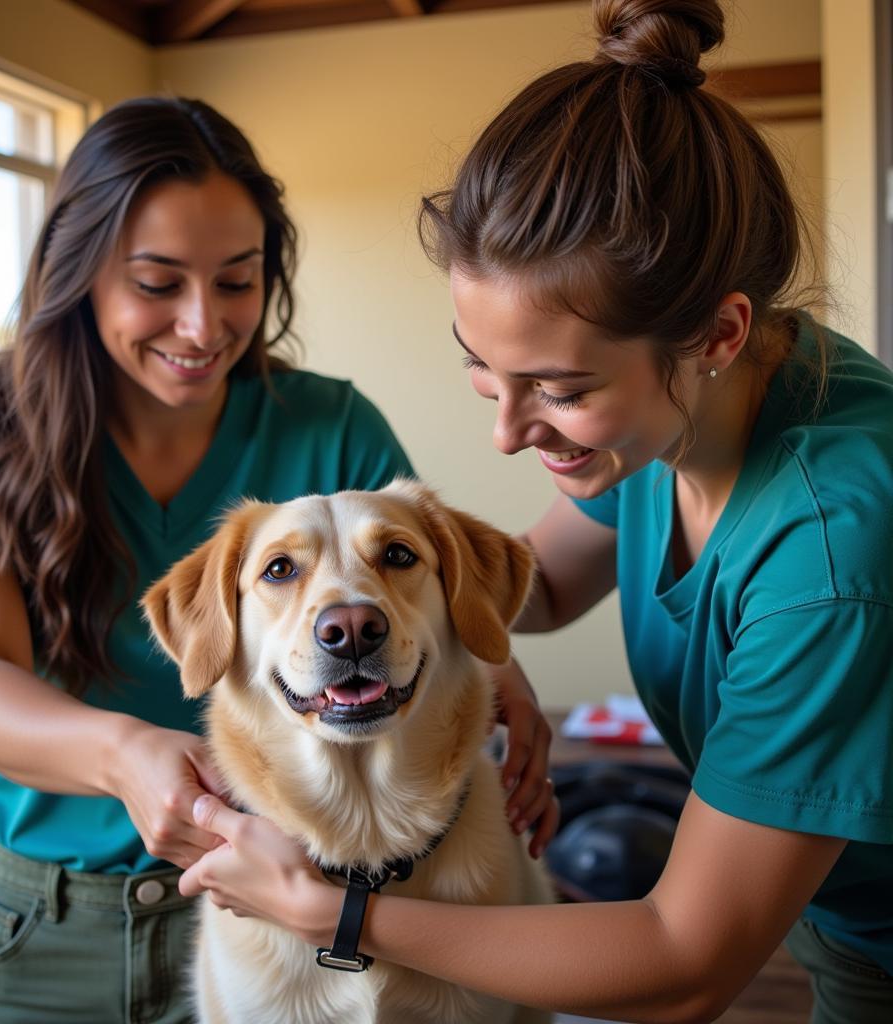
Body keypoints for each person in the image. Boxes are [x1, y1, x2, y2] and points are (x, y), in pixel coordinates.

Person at [173, 3, 893, 1023]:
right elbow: (540, 582)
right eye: (482, 370)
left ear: (717, 333)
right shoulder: (694, 402)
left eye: (556, 389)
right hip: (830, 909)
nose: (509, 433)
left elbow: (684, 966)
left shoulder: (831, 549)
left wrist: (327, 909)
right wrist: (454, 638)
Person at [0, 95, 556, 1023]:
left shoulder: (329, 422)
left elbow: (416, 585)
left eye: (237, 281)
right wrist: (126, 754)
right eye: (158, 284)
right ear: (77, 274)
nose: (203, 327)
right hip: (56, 929)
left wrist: (498, 668)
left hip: (319, 911)